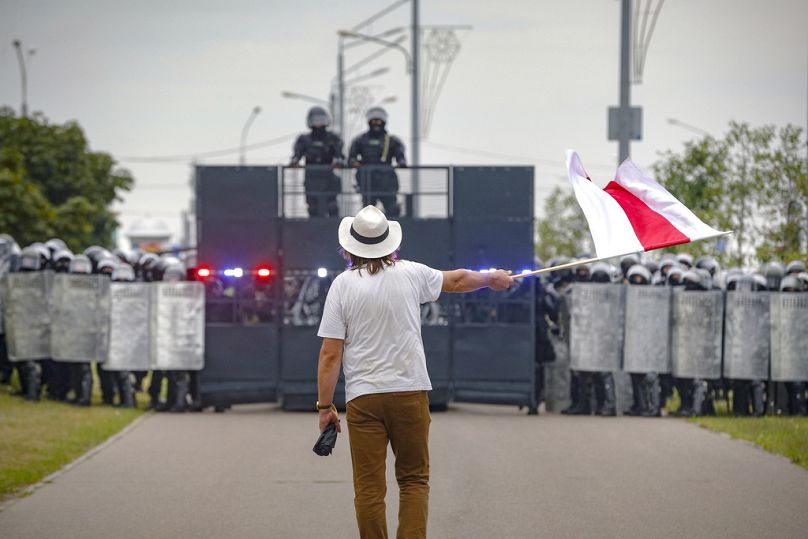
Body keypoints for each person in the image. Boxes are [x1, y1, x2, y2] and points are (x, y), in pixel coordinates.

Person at [316, 205, 513, 538]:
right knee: (413, 480)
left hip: (364, 399)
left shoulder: (341, 286)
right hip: (409, 392)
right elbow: (458, 280)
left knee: (369, 487)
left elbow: (330, 355)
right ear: (391, 244)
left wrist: (325, 407)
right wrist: (491, 278)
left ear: (349, 247)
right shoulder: (411, 274)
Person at [349, 107, 406, 217]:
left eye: (379, 120)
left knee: (393, 209)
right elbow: (351, 157)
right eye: (374, 120)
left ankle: (393, 231)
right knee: (368, 213)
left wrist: (401, 161)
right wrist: (354, 163)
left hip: (387, 181)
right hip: (368, 181)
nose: (376, 123)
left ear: (384, 122)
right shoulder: (361, 140)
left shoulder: (392, 140)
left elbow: (400, 156)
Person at [290, 106, 345, 218]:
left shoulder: (332, 138)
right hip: (312, 177)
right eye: (315, 120)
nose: (318, 124)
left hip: (328, 177)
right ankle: (314, 231)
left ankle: (334, 230)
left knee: (332, 206)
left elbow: (340, 155)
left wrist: (339, 161)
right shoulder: (304, 139)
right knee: (313, 208)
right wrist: (295, 161)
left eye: (321, 120)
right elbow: (297, 154)